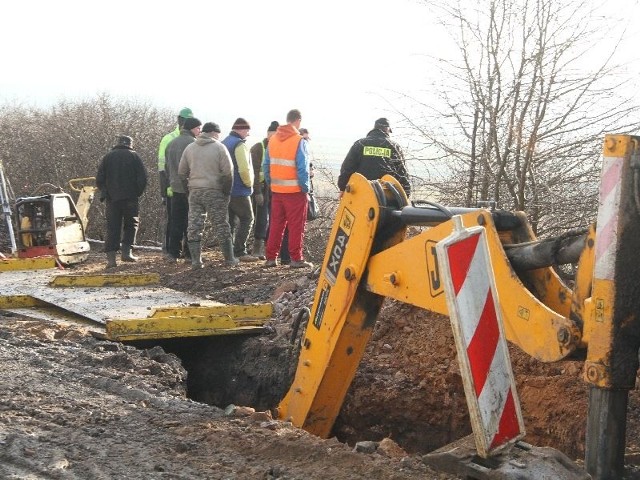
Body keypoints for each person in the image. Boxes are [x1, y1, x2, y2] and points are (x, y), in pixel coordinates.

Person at [178, 122, 238, 269]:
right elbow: (228, 173)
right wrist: (226, 192)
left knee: (194, 225)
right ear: (214, 133)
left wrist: (188, 190)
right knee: (221, 224)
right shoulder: (219, 147)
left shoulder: (190, 147)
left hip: (194, 191)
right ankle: (229, 259)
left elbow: (181, 172)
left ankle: (196, 261)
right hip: (214, 191)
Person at [262, 109, 313, 268]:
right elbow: (302, 169)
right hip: (295, 192)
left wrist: (272, 184)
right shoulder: (299, 141)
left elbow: (266, 166)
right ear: (298, 121)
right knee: (296, 226)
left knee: (276, 224)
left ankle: (271, 258)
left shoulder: (273, 139)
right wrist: (306, 189)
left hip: (277, 191)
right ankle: (296, 259)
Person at [96, 135, 148, 269]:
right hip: (130, 198)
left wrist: (105, 192)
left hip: (112, 199)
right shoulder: (134, 156)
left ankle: (111, 260)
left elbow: (99, 179)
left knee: (112, 227)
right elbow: (142, 178)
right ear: (130, 144)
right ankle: (126, 253)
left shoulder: (107, 157)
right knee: (131, 224)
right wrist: (136, 193)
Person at [337, 118, 411, 197]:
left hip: (361, 192)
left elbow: (347, 168)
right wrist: (406, 193)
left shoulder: (360, 144)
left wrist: (342, 187)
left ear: (374, 128)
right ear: (387, 130)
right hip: (386, 195)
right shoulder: (394, 146)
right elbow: (402, 173)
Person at [165, 117, 202, 262]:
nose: (199, 131)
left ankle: (173, 253)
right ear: (192, 128)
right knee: (190, 221)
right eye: (198, 128)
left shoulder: (171, 143)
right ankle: (189, 254)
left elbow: (167, 168)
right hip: (190, 188)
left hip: (175, 188)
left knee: (176, 221)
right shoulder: (194, 144)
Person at [222, 118, 259, 262]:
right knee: (247, 218)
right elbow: (243, 168)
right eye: (247, 130)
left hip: (226, 189)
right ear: (241, 129)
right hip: (239, 189)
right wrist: (249, 184)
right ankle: (240, 251)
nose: (248, 134)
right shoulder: (239, 145)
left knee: (230, 222)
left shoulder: (224, 142)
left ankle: (229, 251)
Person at [158, 107, 194, 252]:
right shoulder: (168, 138)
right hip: (173, 187)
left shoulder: (190, 139)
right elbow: (162, 167)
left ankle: (183, 251)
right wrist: (164, 190)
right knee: (173, 221)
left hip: (181, 186)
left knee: (185, 220)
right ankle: (169, 250)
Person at [249, 120, 279, 260]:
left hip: (275, 189)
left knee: (274, 219)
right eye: (273, 135)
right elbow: (253, 172)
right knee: (261, 219)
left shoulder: (279, 148)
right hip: (261, 188)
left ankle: (269, 250)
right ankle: (257, 249)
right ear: (268, 134)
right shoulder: (258, 148)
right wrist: (257, 192)